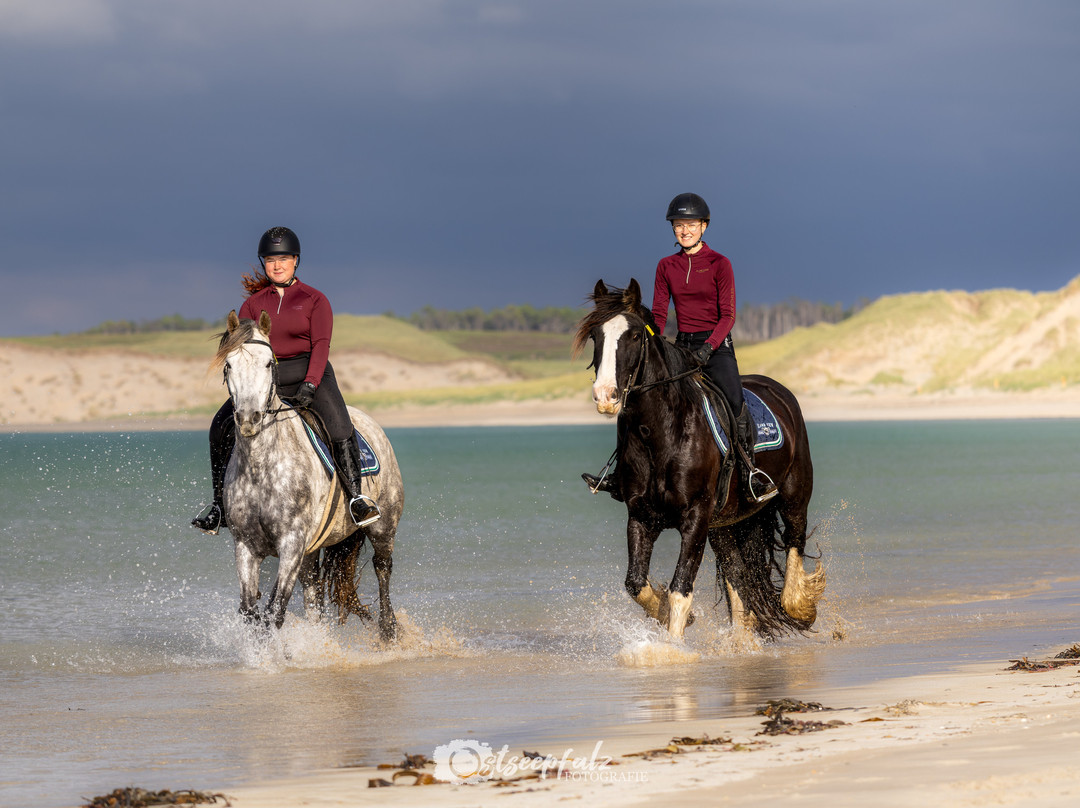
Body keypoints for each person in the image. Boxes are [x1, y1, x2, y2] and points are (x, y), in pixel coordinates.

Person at [583, 193, 777, 503]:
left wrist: (709, 348)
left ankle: (750, 472)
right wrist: (648, 339)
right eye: (678, 225)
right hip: (682, 347)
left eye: (690, 224)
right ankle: (620, 474)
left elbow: (728, 316)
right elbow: (659, 315)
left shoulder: (719, 264)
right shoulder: (666, 266)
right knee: (635, 400)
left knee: (735, 402)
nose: (684, 230)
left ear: (703, 226)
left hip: (716, 349)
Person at [192, 226, 380, 534]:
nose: (276, 265)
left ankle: (356, 498)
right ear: (263, 263)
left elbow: (321, 346)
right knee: (219, 427)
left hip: (310, 375)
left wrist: (311, 383)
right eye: (270, 259)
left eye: (283, 259)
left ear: (296, 261)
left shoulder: (315, 300)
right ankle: (218, 506)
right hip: (267, 382)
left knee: (340, 427)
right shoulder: (252, 305)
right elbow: (245, 352)